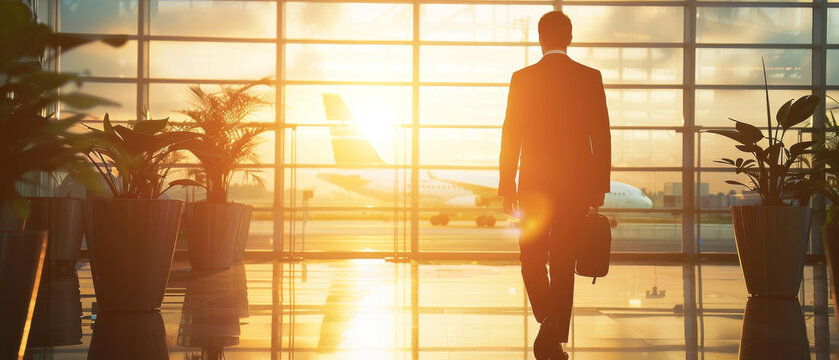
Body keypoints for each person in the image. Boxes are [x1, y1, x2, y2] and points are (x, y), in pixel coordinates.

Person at [498, 10, 611, 360]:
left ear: (540, 38)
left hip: (533, 185)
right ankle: (554, 333)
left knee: (530, 258)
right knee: (563, 261)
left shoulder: (523, 78)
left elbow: (511, 134)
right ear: (570, 38)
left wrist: (507, 185)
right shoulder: (589, 77)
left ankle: (548, 320)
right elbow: (601, 136)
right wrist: (599, 186)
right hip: (575, 187)